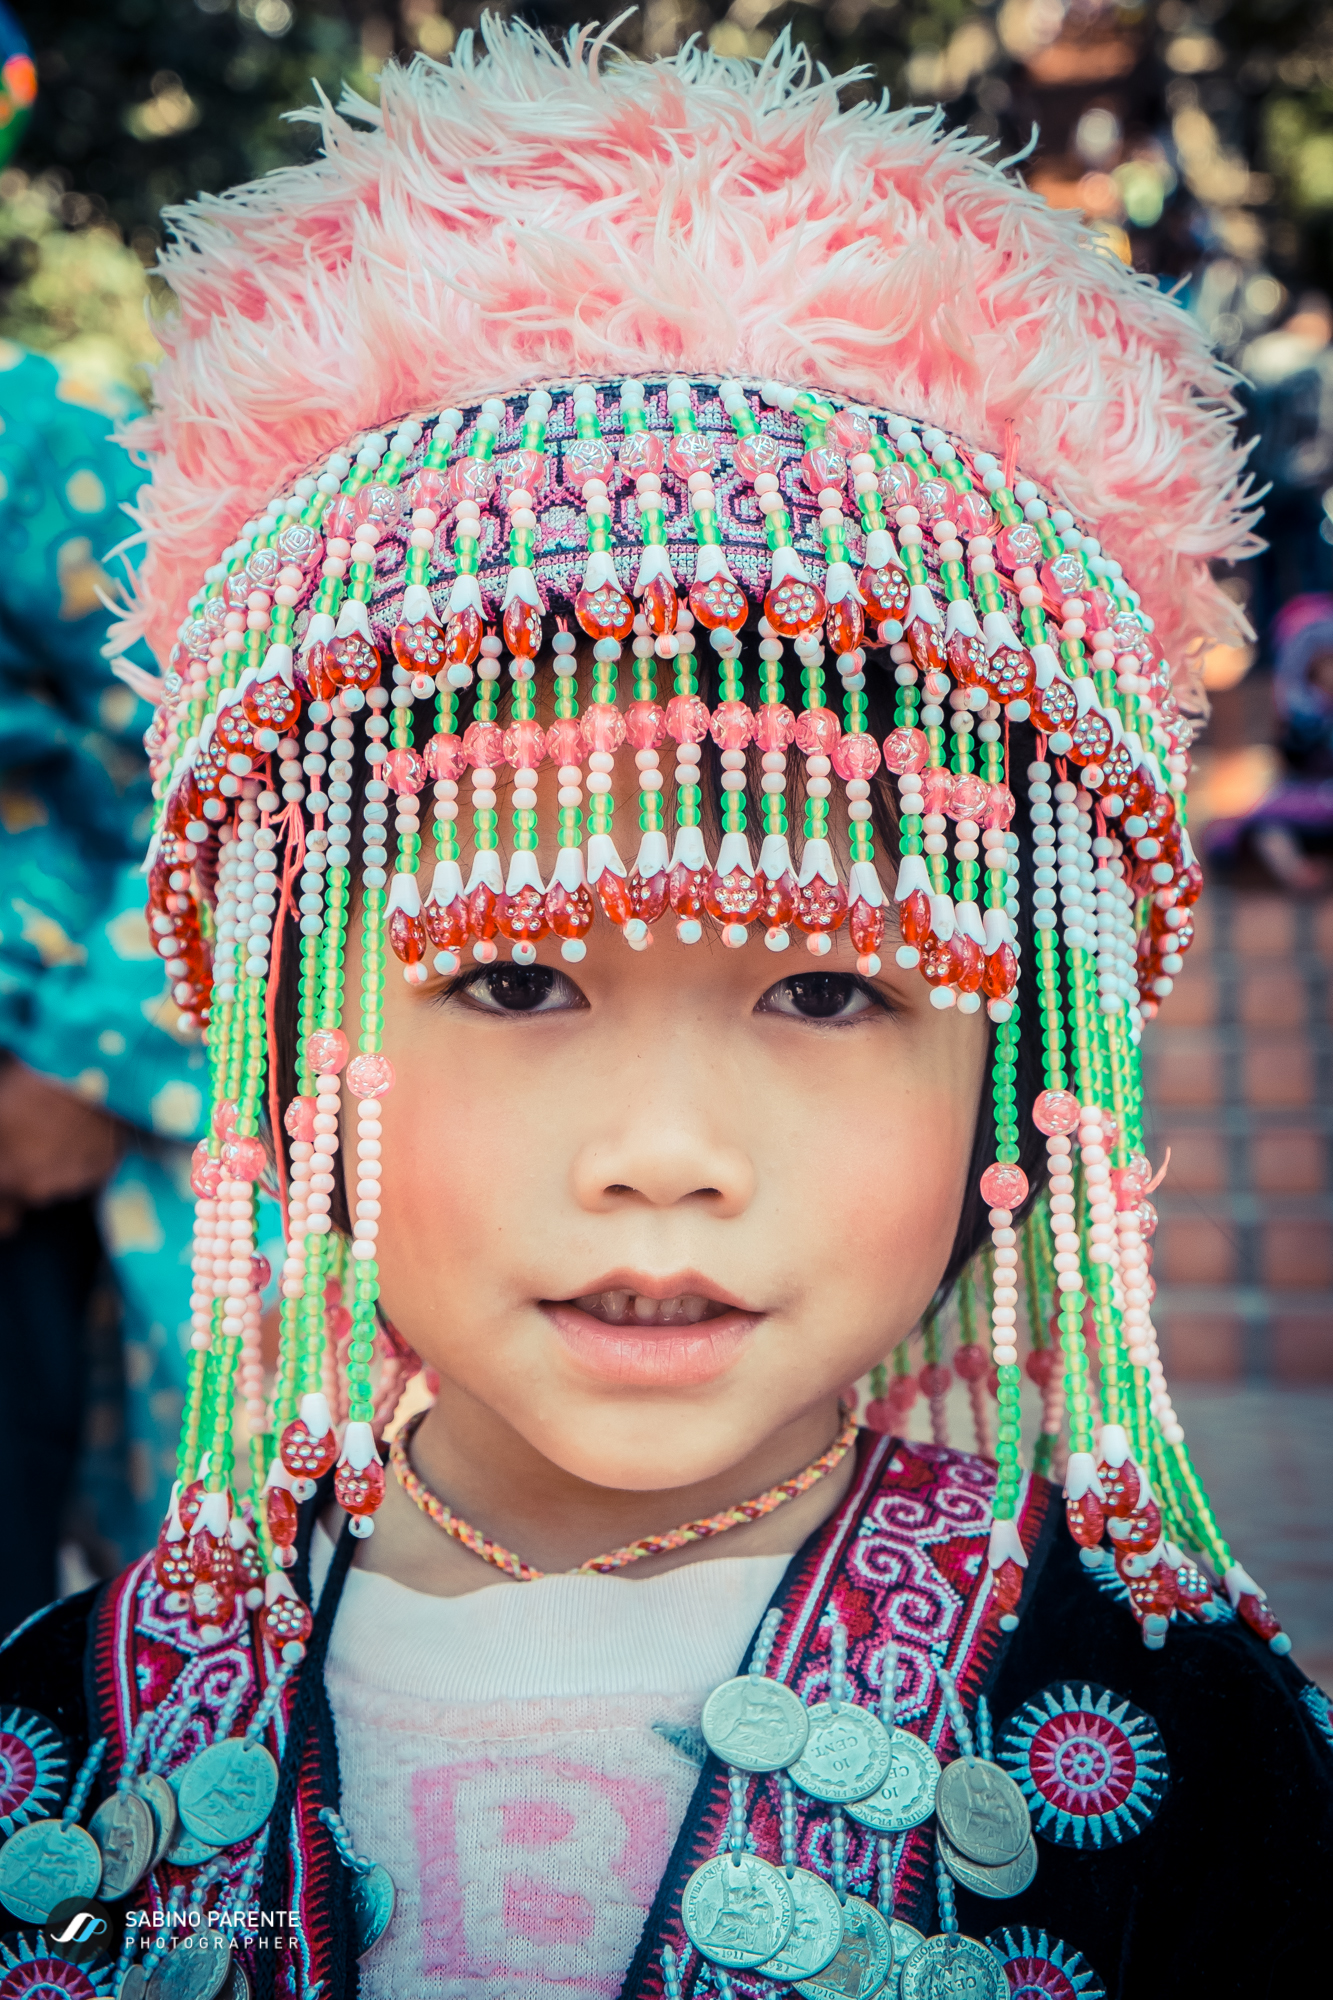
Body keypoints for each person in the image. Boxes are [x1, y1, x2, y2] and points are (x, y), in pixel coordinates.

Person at [1, 23, 1328, 2000]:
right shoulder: (57, 1738)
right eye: (515, 976)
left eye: (824, 984)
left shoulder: (1169, 1735)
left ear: (1015, 1075)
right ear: (289, 1024)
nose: (662, 1156)